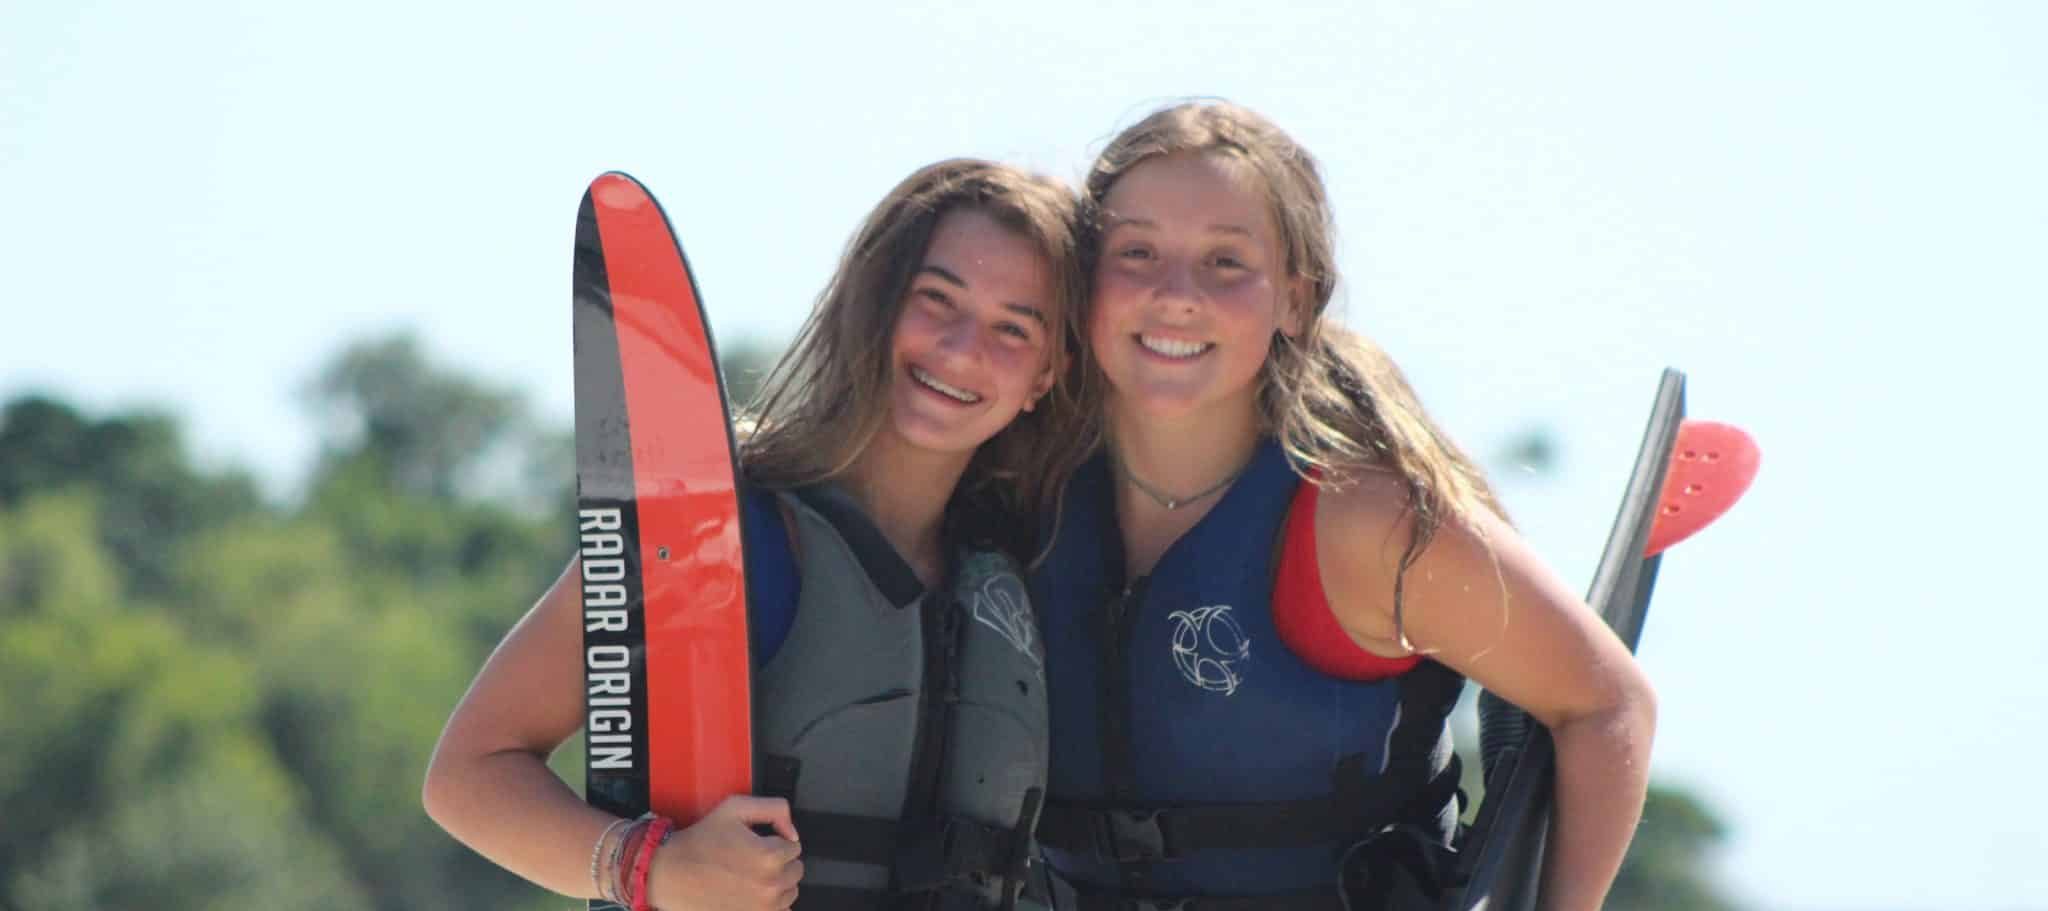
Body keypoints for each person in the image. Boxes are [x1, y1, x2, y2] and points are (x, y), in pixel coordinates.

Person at [1029, 100, 1658, 911]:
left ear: (1295, 299)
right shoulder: (1030, 486)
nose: (1175, 293)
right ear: (1086, 282)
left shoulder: (1364, 519)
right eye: (1137, 251)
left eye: (1226, 262)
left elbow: (1608, 702)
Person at [423, 158, 1094, 911]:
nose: (964, 348)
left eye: (1014, 328)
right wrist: (653, 869)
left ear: (1048, 374)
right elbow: (469, 773)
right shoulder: (722, 532)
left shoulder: (1031, 572)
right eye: (937, 299)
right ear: (874, 301)